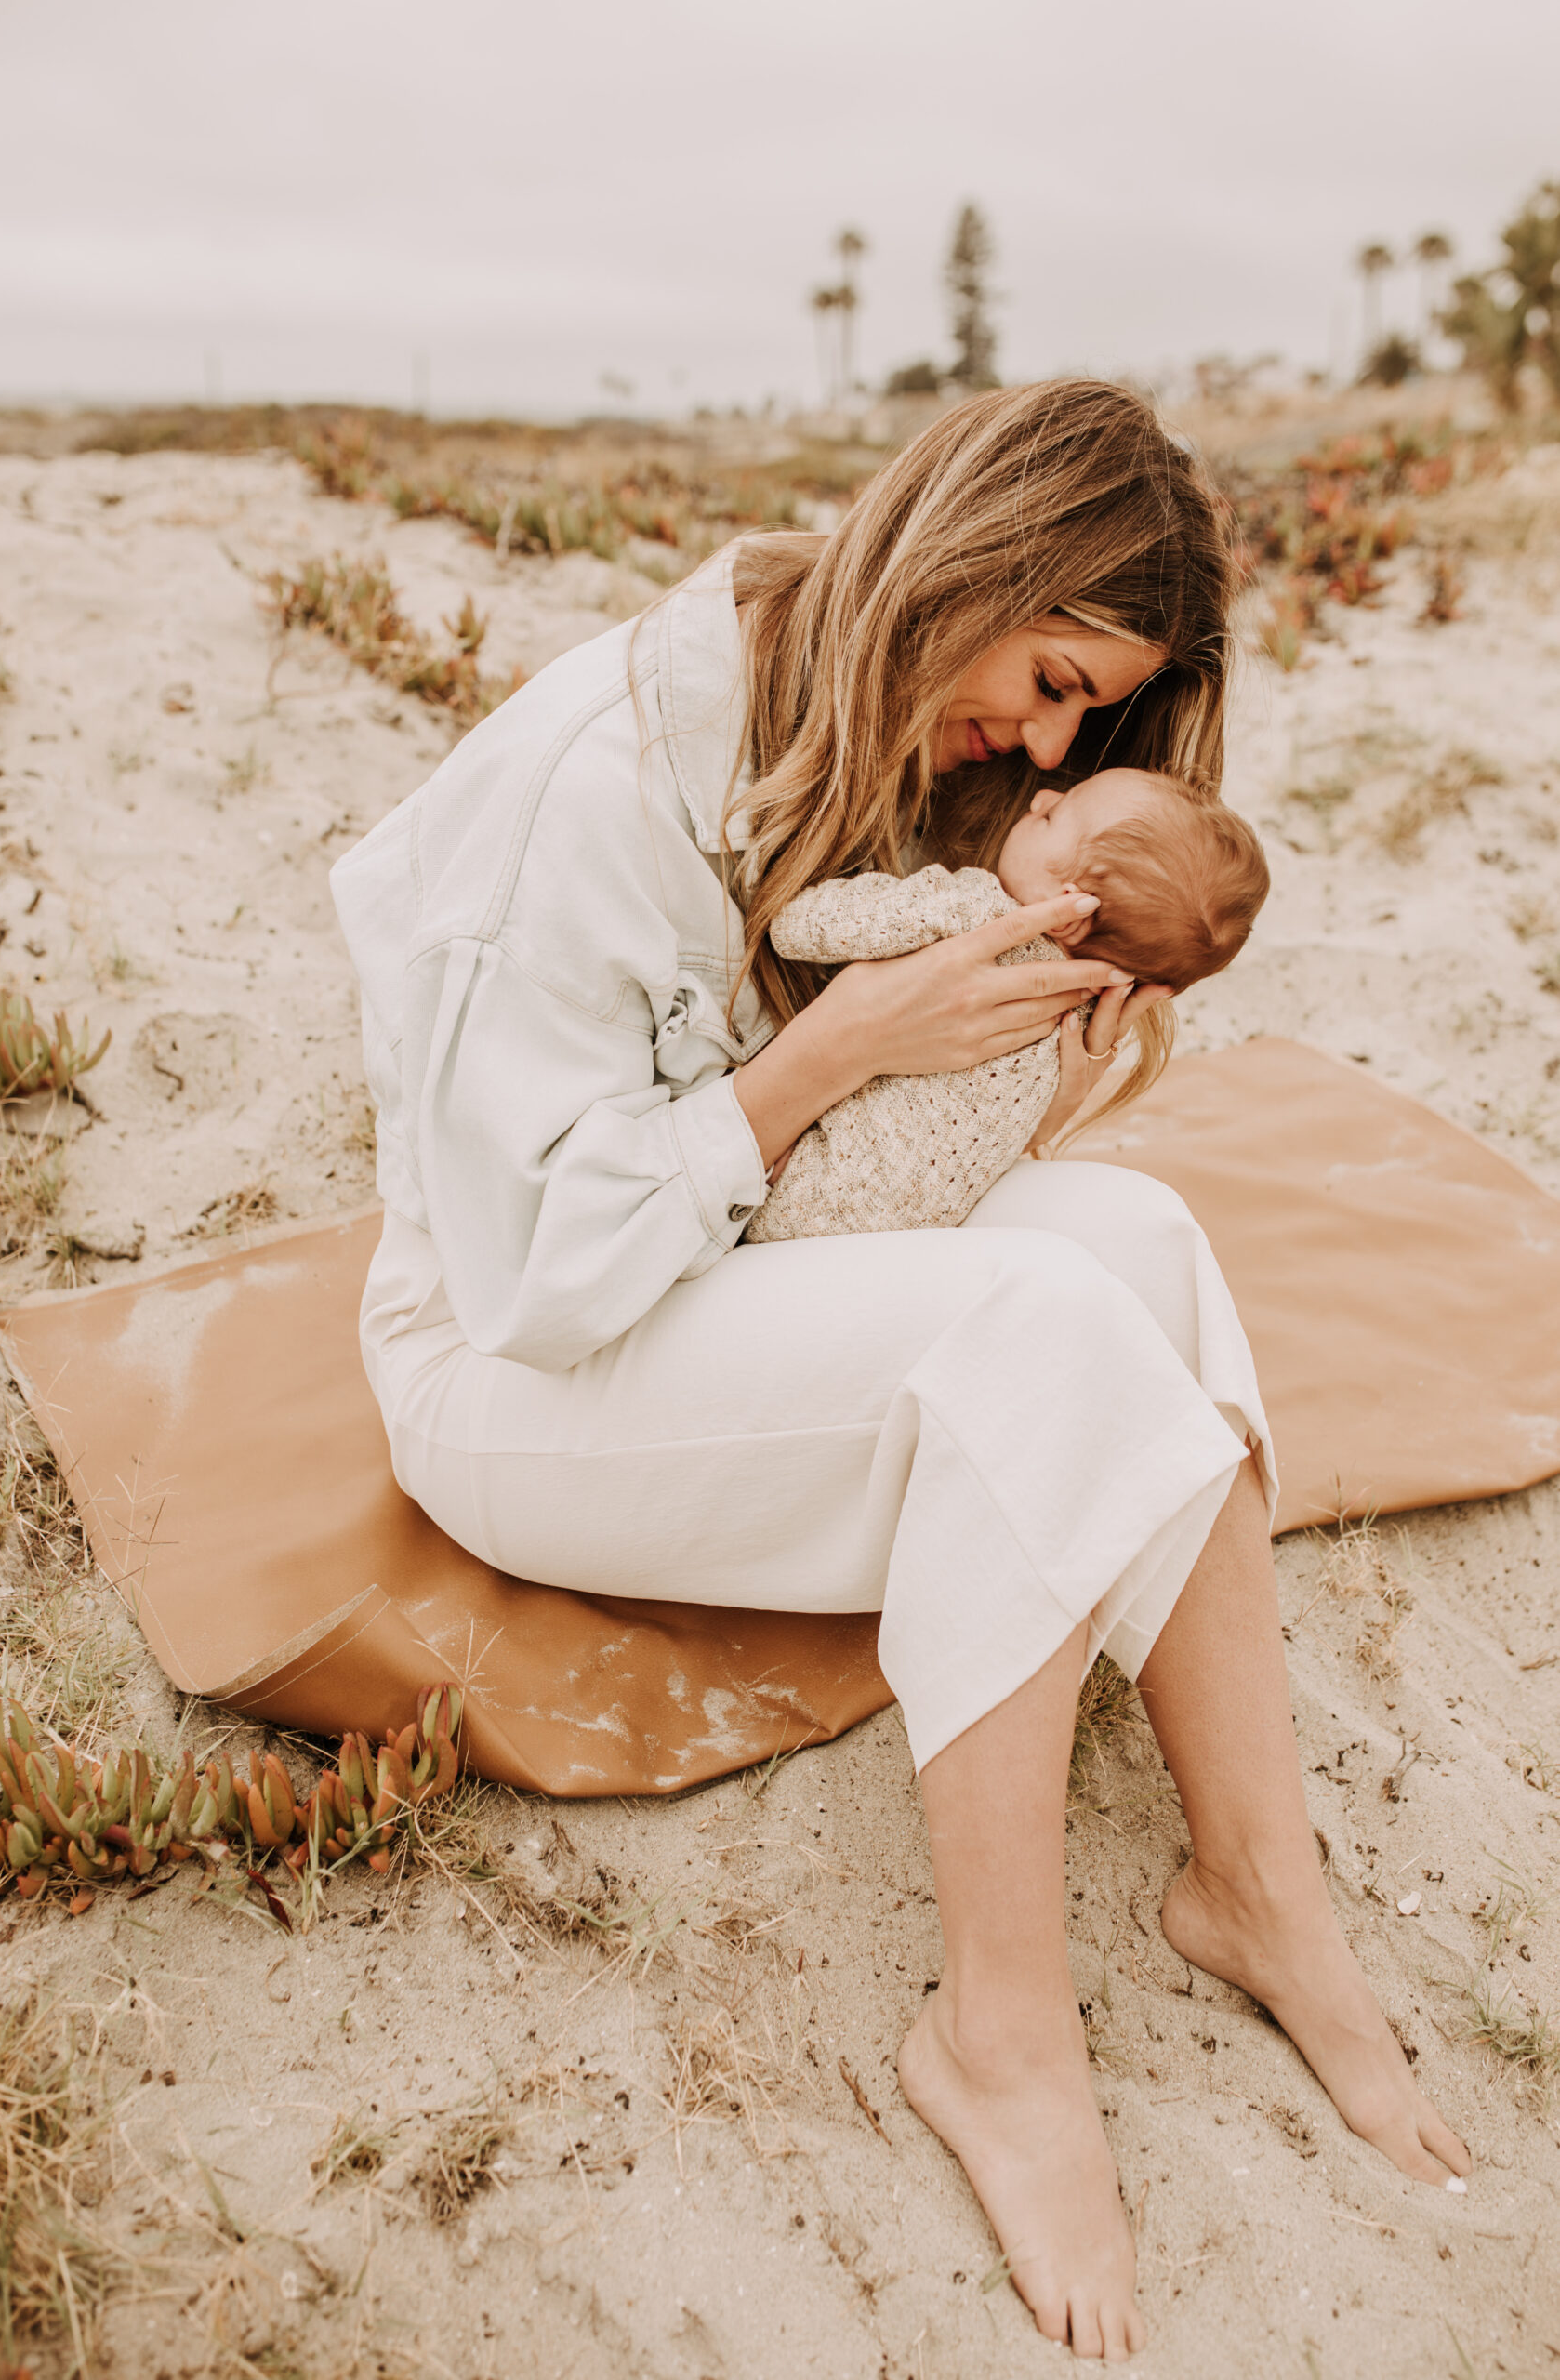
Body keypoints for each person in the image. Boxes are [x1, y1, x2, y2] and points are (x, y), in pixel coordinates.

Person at [333, 379, 1469, 2363]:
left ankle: (1256, 1888)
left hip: (717, 1265)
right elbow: (542, 1270)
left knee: (1143, 1245)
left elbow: (865, 1191)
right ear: (971, 559)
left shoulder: (859, 723)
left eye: (1082, 725)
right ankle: (997, 2034)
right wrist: (834, 1052)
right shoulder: (593, 783)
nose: (1040, 746)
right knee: (1025, 1329)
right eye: (1045, 679)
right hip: (514, 1356)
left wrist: (1016, 1065)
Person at [746, 766, 1269, 1239]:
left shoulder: (976, 912)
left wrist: (779, 874)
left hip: (783, 1190)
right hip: (893, 1241)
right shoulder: (1082, 1023)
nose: (1040, 795)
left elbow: (798, 929)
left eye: (1053, 816)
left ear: (1067, 909)